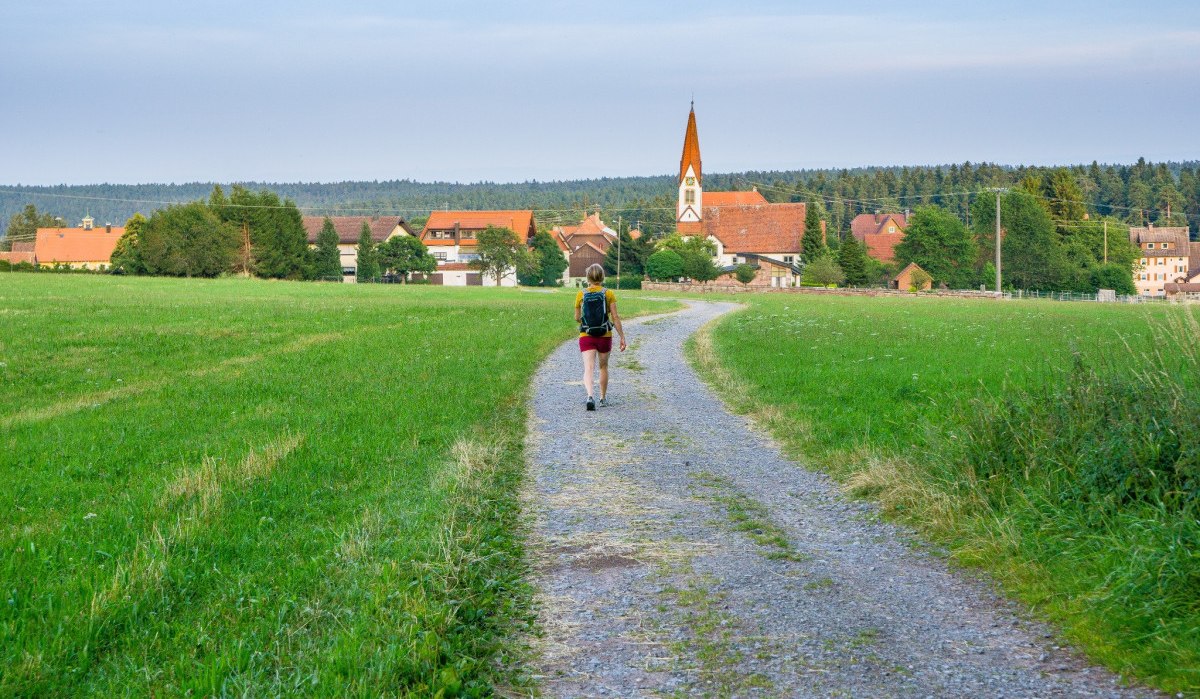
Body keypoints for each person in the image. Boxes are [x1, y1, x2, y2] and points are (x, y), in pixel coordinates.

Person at [574, 263, 626, 410]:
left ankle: (590, 396)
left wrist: (587, 321)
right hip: (605, 335)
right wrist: (622, 336)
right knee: (603, 367)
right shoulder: (608, 294)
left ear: (587, 277)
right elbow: (615, 317)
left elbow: (576, 317)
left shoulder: (581, 294)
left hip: (586, 335)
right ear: (602, 277)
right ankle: (603, 398)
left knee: (588, 368)